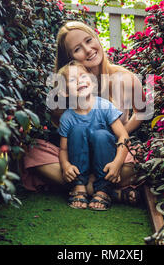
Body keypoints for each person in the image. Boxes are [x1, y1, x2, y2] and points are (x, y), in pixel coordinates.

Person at [21, 20, 150, 206]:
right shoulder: (67, 87)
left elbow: (142, 112)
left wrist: (120, 136)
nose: (88, 49)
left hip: (112, 152)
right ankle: (104, 189)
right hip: (77, 156)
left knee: (137, 160)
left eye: (89, 40)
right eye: (78, 49)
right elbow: (63, 129)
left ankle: (81, 187)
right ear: (70, 58)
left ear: (97, 38)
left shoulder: (126, 78)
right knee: (31, 151)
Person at [56, 60, 129, 210]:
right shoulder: (67, 117)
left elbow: (123, 136)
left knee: (101, 135)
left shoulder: (104, 106)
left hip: (103, 159)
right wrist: (66, 166)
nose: (79, 82)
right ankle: (79, 186)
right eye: (72, 80)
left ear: (92, 80)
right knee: (77, 130)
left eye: (83, 76)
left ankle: (104, 189)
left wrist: (117, 163)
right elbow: (63, 149)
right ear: (65, 91)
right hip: (80, 162)